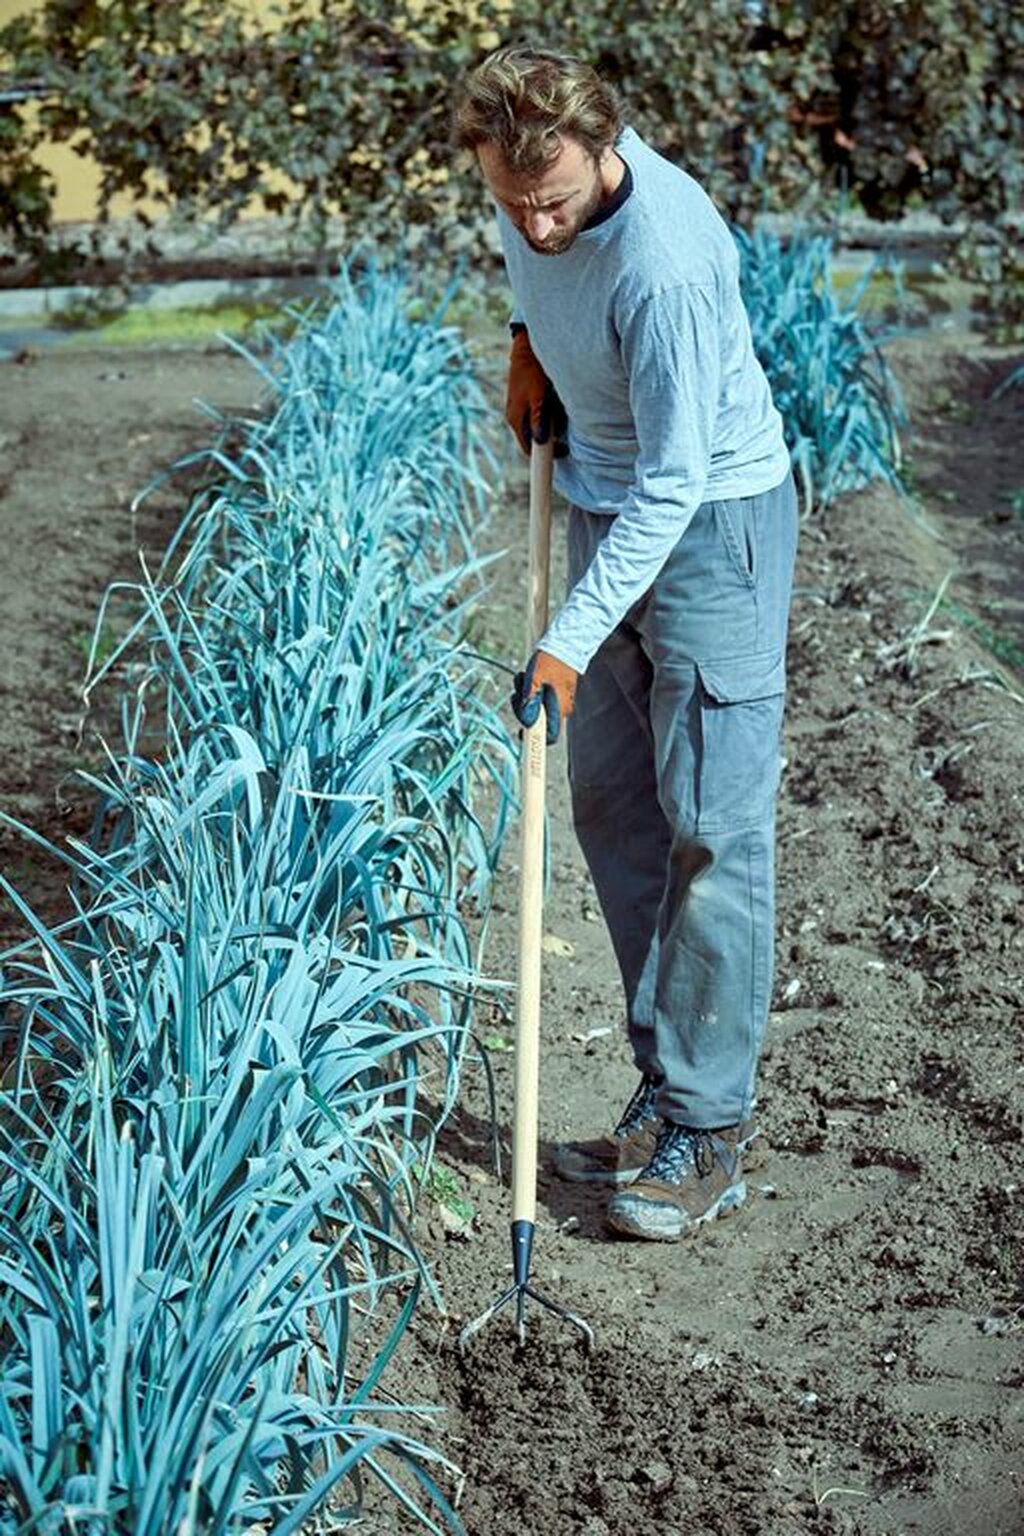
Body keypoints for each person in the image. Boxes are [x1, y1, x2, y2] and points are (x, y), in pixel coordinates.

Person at [452, 45, 798, 1243]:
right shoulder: (526, 196)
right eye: (509, 201)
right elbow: (538, 277)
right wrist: (523, 340)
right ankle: (664, 1085)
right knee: (609, 802)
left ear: (606, 151)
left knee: (711, 821)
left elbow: (678, 478)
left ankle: (708, 1126)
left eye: (552, 201)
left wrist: (560, 636)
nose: (534, 226)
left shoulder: (665, 262)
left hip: (709, 527)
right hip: (606, 501)